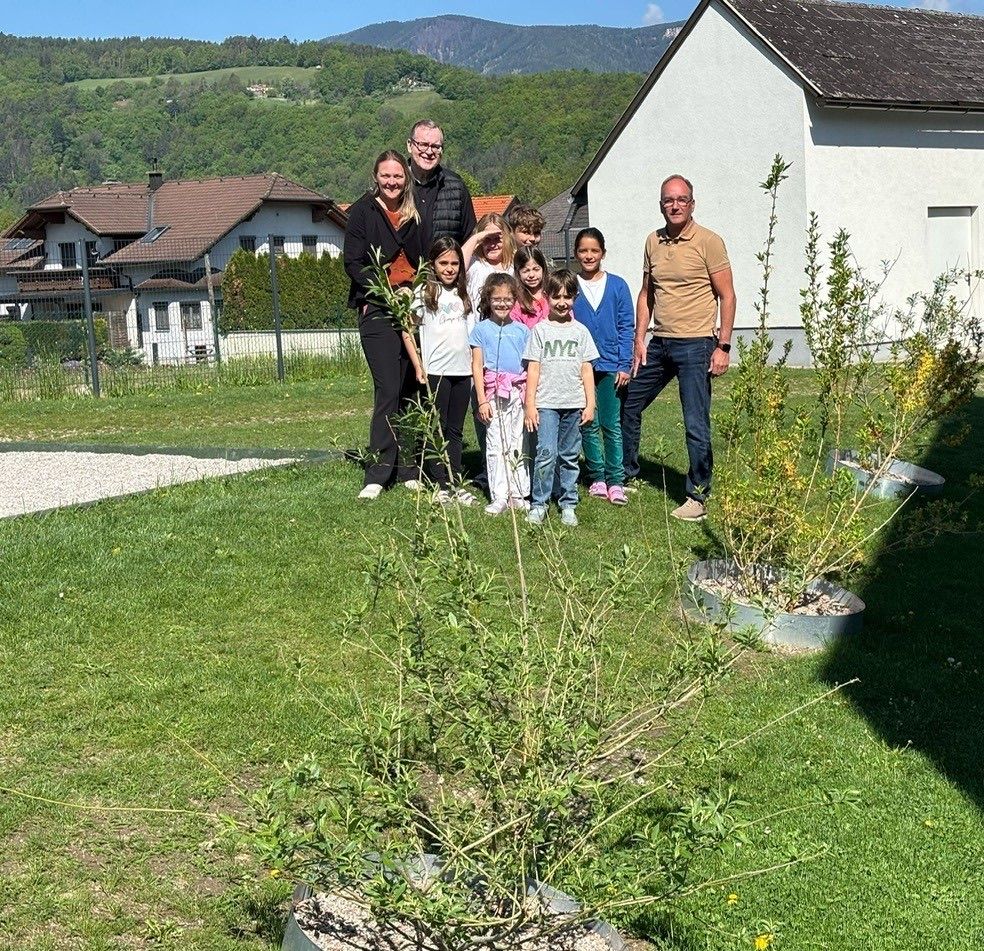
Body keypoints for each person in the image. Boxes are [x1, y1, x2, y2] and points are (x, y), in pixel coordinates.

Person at [621, 174, 736, 521]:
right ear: (661, 205)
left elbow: (727, 295)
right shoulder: (652, 241)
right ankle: (626, 472)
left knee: (695, 423)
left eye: (681, 200)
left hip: (697, 344)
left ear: (692, 204)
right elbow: (647, 293)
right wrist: (639, 339)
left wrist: (723, 346)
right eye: (669, 200)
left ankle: (697, 497)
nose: (675, 206)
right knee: (629, 401)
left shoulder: (709, 241)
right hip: (660, 343)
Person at [344, 149, 425, 500]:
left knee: (411, 388)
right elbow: (353, 262)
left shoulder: (413, 214)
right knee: (388, 388)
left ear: (405, 178)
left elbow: (424, 258)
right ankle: (378, 472)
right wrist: (385, 291)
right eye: (386, 176)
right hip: (377, 307)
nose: (392, 182)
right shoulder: (363, 212)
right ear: (376, 177)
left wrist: (416, 292)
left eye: (398, 176)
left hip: (413, 308)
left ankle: (409, 467)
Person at [524, 269, 598, 528]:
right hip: (546, 404)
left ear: (575, 297)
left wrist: (590, 403)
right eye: (556, 297)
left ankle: (568, 503)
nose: (562, 302)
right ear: (547, 297)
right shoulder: (540, 331)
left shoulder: (581, 331)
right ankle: (539, 503)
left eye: (568, 296)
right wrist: (530, 404)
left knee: (568, 455)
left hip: (573, 404)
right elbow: (533, 368)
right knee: (545, 453)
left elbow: (586, 368)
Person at [572, 228, 634, 506]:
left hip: (611, 366)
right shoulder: (570, 286)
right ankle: (596, 476)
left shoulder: (618, 286)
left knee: (611, 424)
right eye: (583, 251)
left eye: (594, 251)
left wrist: (624, 363)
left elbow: (626, 326)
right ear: (576, 254)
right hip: (579, 366)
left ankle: (616, 479)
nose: (588, 256)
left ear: (602, 254)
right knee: (588, 422)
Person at [416, 237, 479, 507]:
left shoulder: (466, 295)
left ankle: (455, 482)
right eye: (444, 263)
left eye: (454, 263)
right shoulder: (424, 293)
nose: (450, 268)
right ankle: (440, 484)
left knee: (455, 430)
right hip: (436, 371)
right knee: (437, 428)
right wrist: (419, 365)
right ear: (433, 264)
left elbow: (473, 334)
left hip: (462, 371)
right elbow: (409, 330)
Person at [469, 274, 531, 515]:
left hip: (517, 392)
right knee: (495, 442)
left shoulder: (522, 331)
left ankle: (517, 492)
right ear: (488, 299)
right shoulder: (481, 330)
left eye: (507, 299)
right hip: (492, 392)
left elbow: (529, 365)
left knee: (518, 441)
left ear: (515, 299)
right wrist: (482, 400)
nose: (502, 304)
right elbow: (476, 366)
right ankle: (498, 495)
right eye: (497, 299)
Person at [407, 119, 477, 247]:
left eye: (435, 146)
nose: (429, 152)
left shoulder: (456, 187)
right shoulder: (393, 185)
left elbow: (470, 238)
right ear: (409, 145)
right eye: (423, 144)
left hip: (445, 266)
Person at [511, 246, 550, 328]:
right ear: (518, 273)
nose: (531, 275)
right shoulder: (516, 301)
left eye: (536, 269)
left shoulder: (553, 292)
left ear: (543, 269)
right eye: (526, 271)